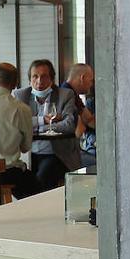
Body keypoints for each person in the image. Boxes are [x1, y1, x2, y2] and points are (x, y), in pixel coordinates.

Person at [0, 63, 41, 200]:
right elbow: (26, 147)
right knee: (39, 192)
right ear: (15, 83)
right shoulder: (22, 108)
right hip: (8, 172)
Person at [14, 59, 80, 190]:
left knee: (41, 179)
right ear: (29, 79)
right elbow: (18, 124)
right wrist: (43, 120)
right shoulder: (21, 95)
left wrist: (33, 125)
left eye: (44, 76)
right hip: (27, 154)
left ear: (52, 78)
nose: (39, 81)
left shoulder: (65, 94)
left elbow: (68, 125)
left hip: (57, 153)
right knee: (16, 180)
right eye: (35, 76)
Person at [61, 63, 96, 168]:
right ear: (82, 78)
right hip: (65, 153)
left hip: (70, 150)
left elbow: (88, 119)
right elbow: (79, 130)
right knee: (100, 164)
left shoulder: (70, 92)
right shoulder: (68, 94)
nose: (91, 84)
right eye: (90, 80)